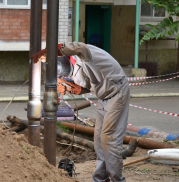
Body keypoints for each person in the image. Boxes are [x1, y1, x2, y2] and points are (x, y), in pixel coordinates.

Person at [32, 42, 130, 182]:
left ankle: (117, 180)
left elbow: (81, 48)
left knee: (108, 138)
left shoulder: (84, 56)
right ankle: (100, 179)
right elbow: (91, 85)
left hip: (117, 93)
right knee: (99, 141)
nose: (66, 78)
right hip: (103, 97)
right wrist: (73, 88)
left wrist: (52, 50)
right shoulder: (74, 69)